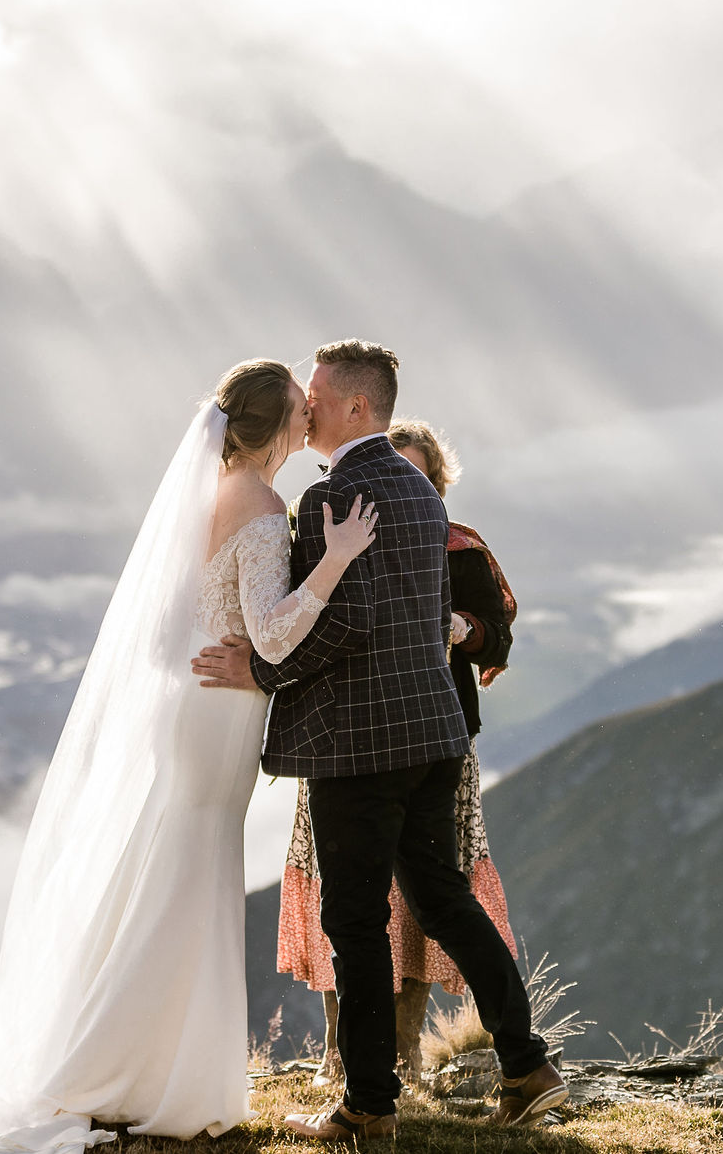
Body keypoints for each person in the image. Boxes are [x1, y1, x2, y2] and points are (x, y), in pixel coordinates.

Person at [0, 359, 377, 1154]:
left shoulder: (208, 498)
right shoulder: (261, 502)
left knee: (173, 869)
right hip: (221, 714)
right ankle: (151, 1071)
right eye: (294, 413)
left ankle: (138, 1058)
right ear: (273, 429)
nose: (304, 424)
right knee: (192, 872)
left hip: (195, 707)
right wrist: (338, 556)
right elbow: (272, 631)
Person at [192, 340, 565, 1141]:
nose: (311, 405)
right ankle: (528, 1067)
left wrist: (260, 670)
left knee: (355, 920)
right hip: (433, 734)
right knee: (444, 899)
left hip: (359, 746)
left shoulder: (335, 497)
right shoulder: (419, 492)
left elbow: (343, 620)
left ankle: (366, 1107)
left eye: (321, 392)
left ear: (358, 406)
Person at [275, 418, 519, 1089]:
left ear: (433, 486)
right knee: (348, 898)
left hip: (438, 742)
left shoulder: (458, 550)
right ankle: (343, 1053)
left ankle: (403, 1053)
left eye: (414, 477)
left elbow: (497, 638)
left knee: (420, 905)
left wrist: (464, 628)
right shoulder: (341, 534)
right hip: (349, 739)